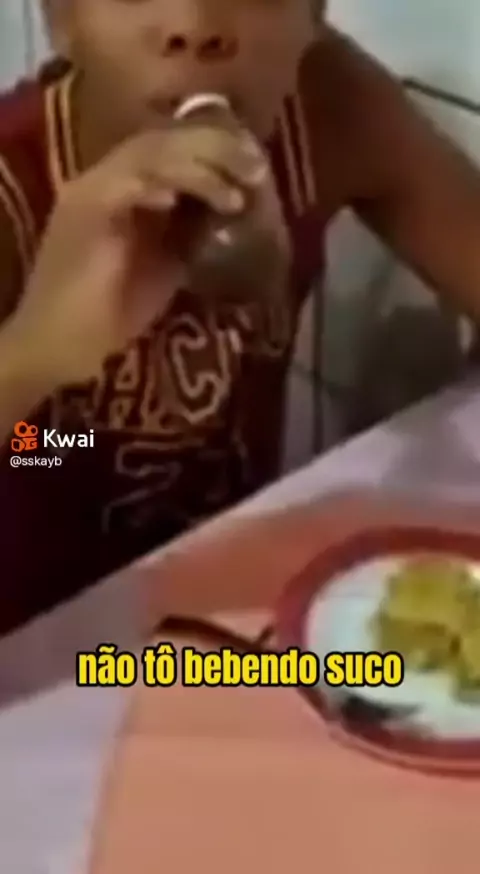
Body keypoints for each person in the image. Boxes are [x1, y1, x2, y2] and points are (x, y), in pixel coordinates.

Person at [0, 0, 479, 633]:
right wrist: (36, 352)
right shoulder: (15, 181)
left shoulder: (321, 104)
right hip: (35, 642)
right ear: (63, 18)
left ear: (314, 14)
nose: (194, 26)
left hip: (229, 605)